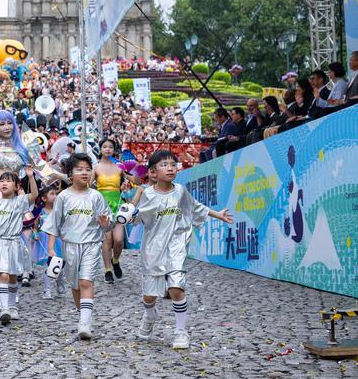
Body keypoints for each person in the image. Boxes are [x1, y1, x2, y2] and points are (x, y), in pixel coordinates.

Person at [133, 149, 233, 349]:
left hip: (176, 246)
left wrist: (217, 214)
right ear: (152, 172)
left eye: (172, 164)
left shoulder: (180, 191)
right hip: (153, 249)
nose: (170, 168)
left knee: (176, 287)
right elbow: (137, 217)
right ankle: (150, 314)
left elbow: (196, 207)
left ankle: (180, 332)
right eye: (164, 165)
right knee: (150, 294)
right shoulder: (148, 195)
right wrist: (128, 211)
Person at [44, 154, 110, 340]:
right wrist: (50, 249)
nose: (84, 173)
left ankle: (84, 324)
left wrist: (105, 222)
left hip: (91, 244)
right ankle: (82, 313)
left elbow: (107, 224)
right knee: (74, 284)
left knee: (86, 282)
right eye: (79, 169)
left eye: (88, 169)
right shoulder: (63, 197)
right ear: (70, 174)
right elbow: (54, 223)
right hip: (70, 245)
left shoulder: (96, 196)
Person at [0, 169, 38, 325]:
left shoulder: (20, 202)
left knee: (12, 276)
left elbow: (34, 195)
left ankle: (12, 306)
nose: (4, 183)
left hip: (15, 243)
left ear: (17, 186)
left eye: (8, 181)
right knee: (3, 274)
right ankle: (4, 308)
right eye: (2, 181)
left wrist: (31, 177)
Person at [94, 138, 127, 285]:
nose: (107, 149)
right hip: (103, 205)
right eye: (104, 146)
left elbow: (132, 181)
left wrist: (129, 181)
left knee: (119, 240)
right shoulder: (95, 167)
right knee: (107, 239)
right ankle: (107, 270)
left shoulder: (120, 167)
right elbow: (88, 185)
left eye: (110, 147)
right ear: (100, 149)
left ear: (114, 150)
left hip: (118, 203)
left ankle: (115, 260)